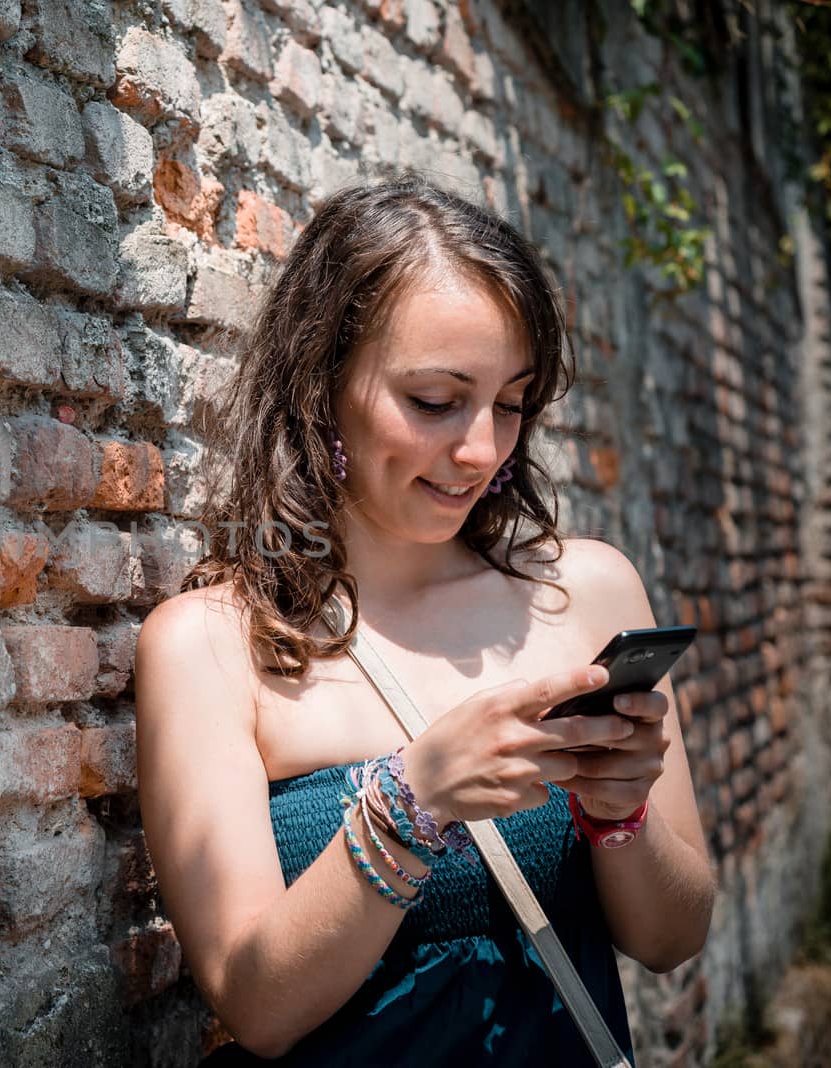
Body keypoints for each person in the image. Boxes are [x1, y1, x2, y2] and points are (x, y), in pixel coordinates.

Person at [134, 172, 717, 1064]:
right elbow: (257, 1005)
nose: (482, 450)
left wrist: (619, 814)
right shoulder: (210, 646)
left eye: (512, 403)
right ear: (324, 384)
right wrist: (416, 800)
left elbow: (674, 938)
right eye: (436, 402)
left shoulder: (587, 591)